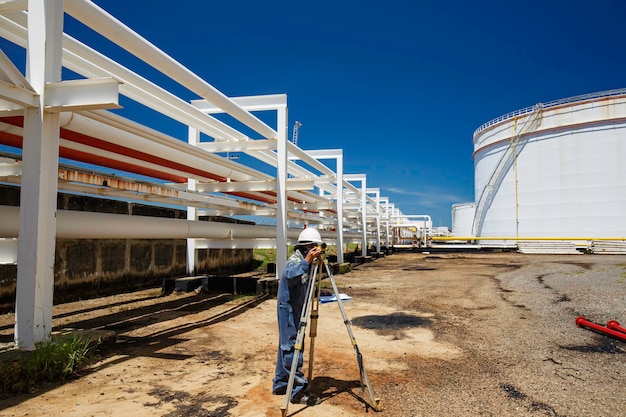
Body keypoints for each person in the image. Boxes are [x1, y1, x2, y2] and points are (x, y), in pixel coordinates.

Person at [272, 228, 323, 406]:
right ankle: (297, 392)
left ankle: (281, 383)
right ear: (307, 247)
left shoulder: (305, 262)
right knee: (292, 347)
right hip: (289, 310)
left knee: (285, 345)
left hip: (297, 307)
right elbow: (289, 274)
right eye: (314, 247)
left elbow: (304, 284)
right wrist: (307, 261)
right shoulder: (296, 261)